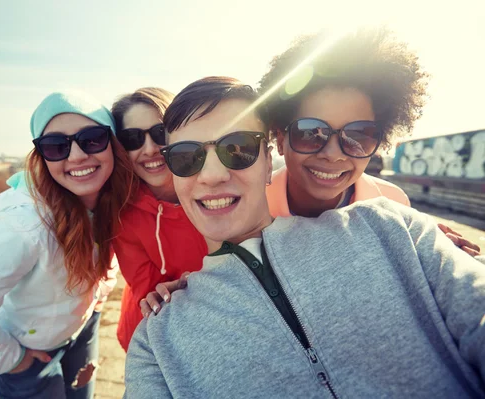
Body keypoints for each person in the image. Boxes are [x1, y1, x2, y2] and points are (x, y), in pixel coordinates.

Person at [124, 77, 485, 398]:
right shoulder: (157, 342)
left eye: (238, 149)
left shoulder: (392, 229)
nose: (213, 175)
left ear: (268, 159)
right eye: (187, 157)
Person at [141, 28, 480, 315]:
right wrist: (185, 290)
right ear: (280, 137)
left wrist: (416, 242)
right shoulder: (248, 205)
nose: (333, 154)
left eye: (358, 136)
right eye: (310, 133)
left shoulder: (391, 205)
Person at [0, 92, 137, 399]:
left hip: (82, 330)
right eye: (56, 146)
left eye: (92, 139)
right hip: (31, 353)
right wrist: (15, 359)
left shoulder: (111, 201)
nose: (76, 156)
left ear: (113, 145)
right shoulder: (23, 226)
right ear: (42, 155)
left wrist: (98, 300)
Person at [110, 88, 207, 350]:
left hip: (216, 324)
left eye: (160, 133)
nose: (150, 149)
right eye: (132, 139)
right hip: (151, 335)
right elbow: (148, 293)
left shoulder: (213, 190)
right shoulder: (121, 211)